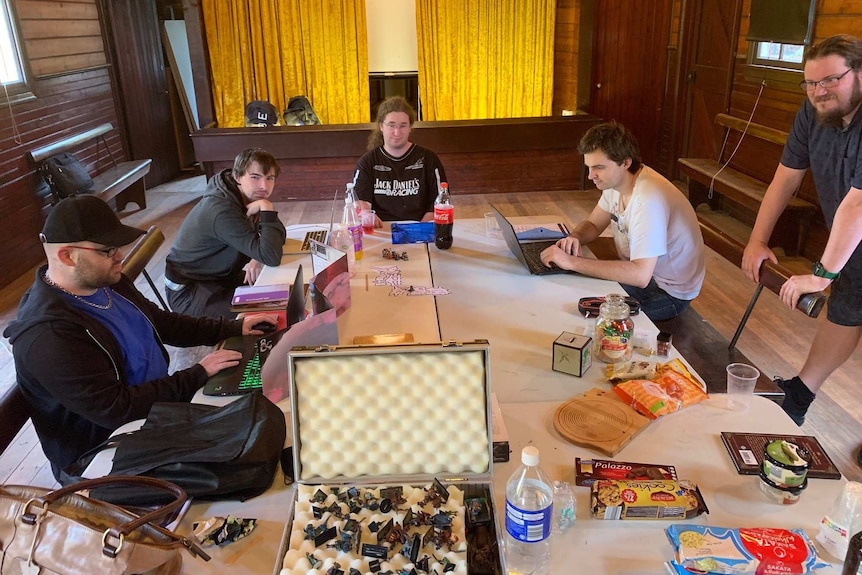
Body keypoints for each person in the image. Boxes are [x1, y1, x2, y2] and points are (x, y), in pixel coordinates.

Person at [2, 195, 277, 484]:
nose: (120, 256)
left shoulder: (107, 283)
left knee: (259, 409)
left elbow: (163, 323)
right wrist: (197, 374)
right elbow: (117, 409)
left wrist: (231, 328)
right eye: (108, 250)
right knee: (247, 461)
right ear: (67, 256)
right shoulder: (49, 336)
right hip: (102, 456)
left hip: (151, 413)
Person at [741, 35, 862, 430]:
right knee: (844, 312)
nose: (818, 92)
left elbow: (858, 205)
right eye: (810, 83)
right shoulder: (812, 112)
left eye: (830, 80)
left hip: (852, 227)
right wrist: (758, 239)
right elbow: (785, 178)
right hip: (850, 244)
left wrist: (822, 273)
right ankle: (800, 394)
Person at [540, 121, 706, 321]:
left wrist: (571, 261)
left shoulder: (648, 200)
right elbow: (593, 225)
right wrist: (575, 237)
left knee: (579, 316)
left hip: (667, 293)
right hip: (644, 276)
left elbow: (640, 276)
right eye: (589, 167)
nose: (591, 175)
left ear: (625, 163)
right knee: (567, 290)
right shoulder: (616, 182)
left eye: (599, 167)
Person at [165, 148, 287, 318]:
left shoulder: (243, 196)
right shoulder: (221, 210)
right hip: (190, 292)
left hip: (220, 278)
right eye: (255, 177)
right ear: (237, 177)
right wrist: (266, 209)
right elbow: (272, 256)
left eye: (270, 178)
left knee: (283, 295)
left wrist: (256, 256)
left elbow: (279, 235)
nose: (263, 186)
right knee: (267, 317)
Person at [355, 96, 447, 224]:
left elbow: (439, 202)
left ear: (410, 127)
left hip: (420, 227)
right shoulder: (368, 162)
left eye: (403, 126)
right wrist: (367, 215)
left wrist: (417, 230)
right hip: (383, 230)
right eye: (391, 125)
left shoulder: (428, 159)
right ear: (381, 126)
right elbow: (360, 201)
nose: (397, 132)